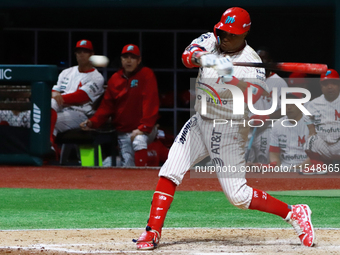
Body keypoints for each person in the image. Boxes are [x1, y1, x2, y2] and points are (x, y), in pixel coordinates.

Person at [134, 7, 314, 250]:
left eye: (231, 34)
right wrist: (205, 58)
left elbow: (253, 97)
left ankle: (294, 213)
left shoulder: (253, 64)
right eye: (222, 31)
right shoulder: (210, 40)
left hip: (228, 129)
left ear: (244, 33)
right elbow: (187, 56)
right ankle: (152, 231)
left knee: (238, 196)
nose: (224, 37)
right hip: (200, 121)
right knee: (170, 171)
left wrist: (230, 77)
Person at [80, 44, 159, 167]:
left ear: (139, 60)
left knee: (139, 141)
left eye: (132, 57)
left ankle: (145, 178)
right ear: (121, 60)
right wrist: (93, 122)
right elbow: (106, 107)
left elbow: (150, 102)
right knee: (128, 165)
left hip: (146, 129)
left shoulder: (146, 74)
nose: (128, 60)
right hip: (123, 131)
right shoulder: (115, 79)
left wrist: (143, 127)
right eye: (125, 57)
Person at [50, 39, 105, 158]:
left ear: (92, 55)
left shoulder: (97, 77)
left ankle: (51, 152)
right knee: (49, 109)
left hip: (79, 113)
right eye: (78, 51)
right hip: (59, 109)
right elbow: (55, 90)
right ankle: (50, 149)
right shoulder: (66, 72)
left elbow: (80, 97)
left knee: (46, 121)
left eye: (85, 51)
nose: (81, 54)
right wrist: (54, 94)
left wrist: (57, 96)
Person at [247, 47, 288, 164]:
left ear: (270, 63)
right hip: (247, 128)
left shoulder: (279, 82)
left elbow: (285, 109)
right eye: (258, 59)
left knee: (264, 163)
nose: (261, 63)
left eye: (264, 60)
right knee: (244, 163)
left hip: (268, 129)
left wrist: (267, 118)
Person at [269, 93, 316, 173]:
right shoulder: (277, 125)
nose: (289, 107)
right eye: (286, 104)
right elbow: (274, 152)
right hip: (284, 169)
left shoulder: (312, 123)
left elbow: (316, 155)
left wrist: (294, 170)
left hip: (308, 169)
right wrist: (277, 168)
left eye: (293, 104)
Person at [303, 69, 340, 168]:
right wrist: (311, 130)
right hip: (324, 145)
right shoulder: (314, 103)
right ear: (321, 86)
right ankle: (318, 166)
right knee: (310, 141)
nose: (330, 87)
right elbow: (307, 117)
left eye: (334, 83)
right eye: (326, 84)